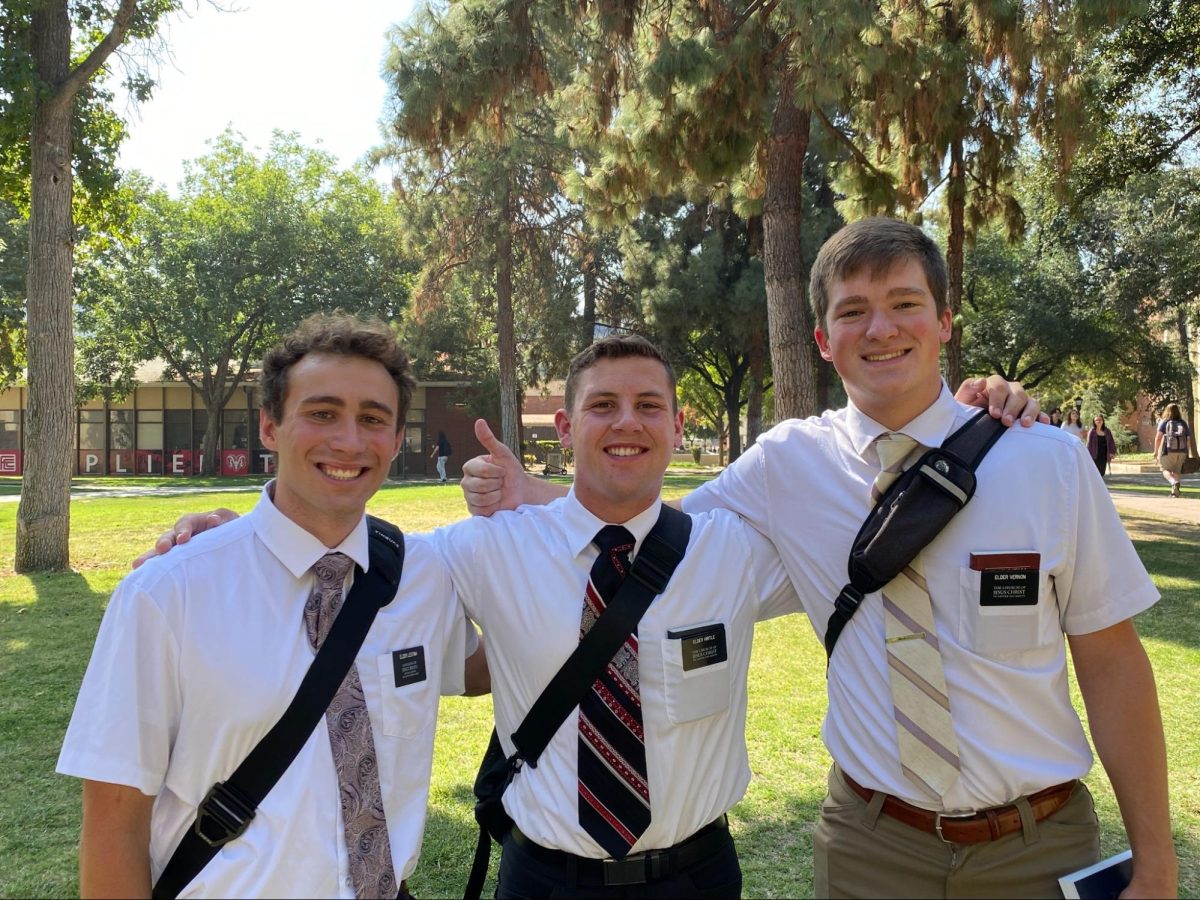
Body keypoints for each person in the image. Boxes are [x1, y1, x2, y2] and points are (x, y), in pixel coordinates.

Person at [132, 336, 1037, 899]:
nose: (626, 423)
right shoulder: (480, 552)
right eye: (601, 406)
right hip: (546, 876)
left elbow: (870, 504)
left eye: (648, 405)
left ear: (679, 425)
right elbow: (348, 560)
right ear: (563, 430)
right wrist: (230, 535)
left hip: (697, 874)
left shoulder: (739, 549)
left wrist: (974, 410)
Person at [462, 218, 1177, 898]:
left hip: (1041, 841)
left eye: (905, 304)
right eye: (853, 311)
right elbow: (652, 530)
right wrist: (536, 489)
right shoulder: (787, 464)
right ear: (823, 340)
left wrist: (1157, 860)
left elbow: (1112, 661)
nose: (882, 328)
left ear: (944, 323)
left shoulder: (1045, 462)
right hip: (874, 847)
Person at [58, 314, 487, 898]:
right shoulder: (170, 592)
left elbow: (490, 666)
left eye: (372, 419)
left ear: (393, 437)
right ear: (269, 425)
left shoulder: (423, 577)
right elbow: (113, 817)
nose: (349, 440)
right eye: (322, 413)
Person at [1154, 402, 1195, 498]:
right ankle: (1175, 493)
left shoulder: (1164, 422)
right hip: (1182, 451)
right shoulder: (1183, 423)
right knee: (1176, 471)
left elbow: (1158, 438)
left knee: (1165, 470)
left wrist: (1155, 451)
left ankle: (1174, 482)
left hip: (1168, 451)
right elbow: (1188, 439)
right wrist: (1187, 452)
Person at [1086, 413, 1118, 477]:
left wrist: (1112, 452)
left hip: (1104, 454)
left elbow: (1111, 442)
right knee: (1096, 471)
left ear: (1103, 421)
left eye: (1100, 420)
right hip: (1094, 454)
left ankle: (1099, 484)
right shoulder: (1092, 431)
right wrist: (1087, 454)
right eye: (1096, 420)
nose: (1098, 421)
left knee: (1102, 471)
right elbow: (1089, 443)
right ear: (1094, 422)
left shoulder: (1107, 431)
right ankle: (1097, 485)